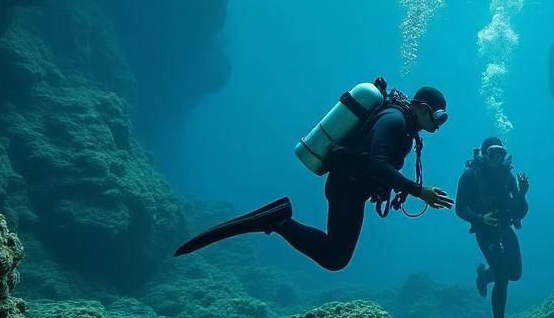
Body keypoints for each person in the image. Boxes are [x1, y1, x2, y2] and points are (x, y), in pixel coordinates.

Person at [175, 86, 455, 270]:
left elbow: (378, 164)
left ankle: (279, 218)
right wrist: (420, 192)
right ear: (421, 107)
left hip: (351, 188)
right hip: (346, 188)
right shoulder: (395, 121)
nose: (438, 126)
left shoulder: (402, 124)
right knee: (336, 257)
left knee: (337, 256)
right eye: (438, 118)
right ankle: (279, 220)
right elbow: (378, 165)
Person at [456, 137, 529, 318]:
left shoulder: (507, 175)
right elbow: (459, 208)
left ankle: (484, 275)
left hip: (505, 228)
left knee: (515, 274)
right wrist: (480, 219)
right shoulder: (470, 176)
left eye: (501, 153)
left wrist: (522, 194)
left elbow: (520, 211)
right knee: (503, 279)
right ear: (485, 153)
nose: (498, 157)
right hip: (485, 231)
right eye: (493, 153)